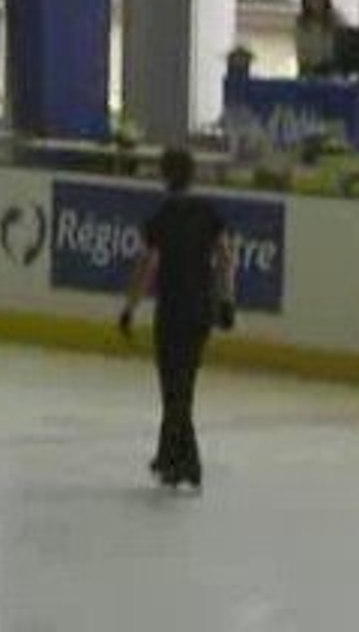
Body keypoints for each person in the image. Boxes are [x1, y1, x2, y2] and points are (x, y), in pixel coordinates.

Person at [119, 148, 236, 491]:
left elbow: (147, 266)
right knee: (182, 385)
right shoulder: (208, 212)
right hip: (201, 310)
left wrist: (129, 308)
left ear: (164, 176)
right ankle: (167, 456)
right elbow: (225, 256)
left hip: (172, 311)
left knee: (174, 388)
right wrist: (226, 299)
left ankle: (188, 463)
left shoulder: (161, 217)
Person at [295, 0, 342, 78]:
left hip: (331, 71)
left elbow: (340, 47)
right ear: (307, 1)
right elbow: (301, 52)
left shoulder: (335, 20)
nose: (316, 2)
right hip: (308, 71)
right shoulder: (302, 23)